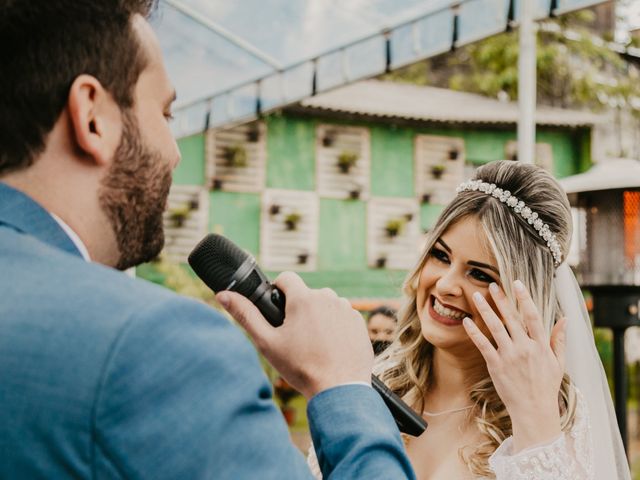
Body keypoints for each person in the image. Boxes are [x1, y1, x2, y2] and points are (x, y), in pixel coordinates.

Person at [0, 2, 415, 479]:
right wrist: (343, 385)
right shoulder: (152, 345)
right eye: (165, 112)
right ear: (93, 117)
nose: (176, 154)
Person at [309, 160, 630, 479]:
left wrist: (534, 421)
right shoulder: (370, 385)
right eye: (440, 255)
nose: (446, 285)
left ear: (524, 296)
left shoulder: (555, 420)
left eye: (478, 273)